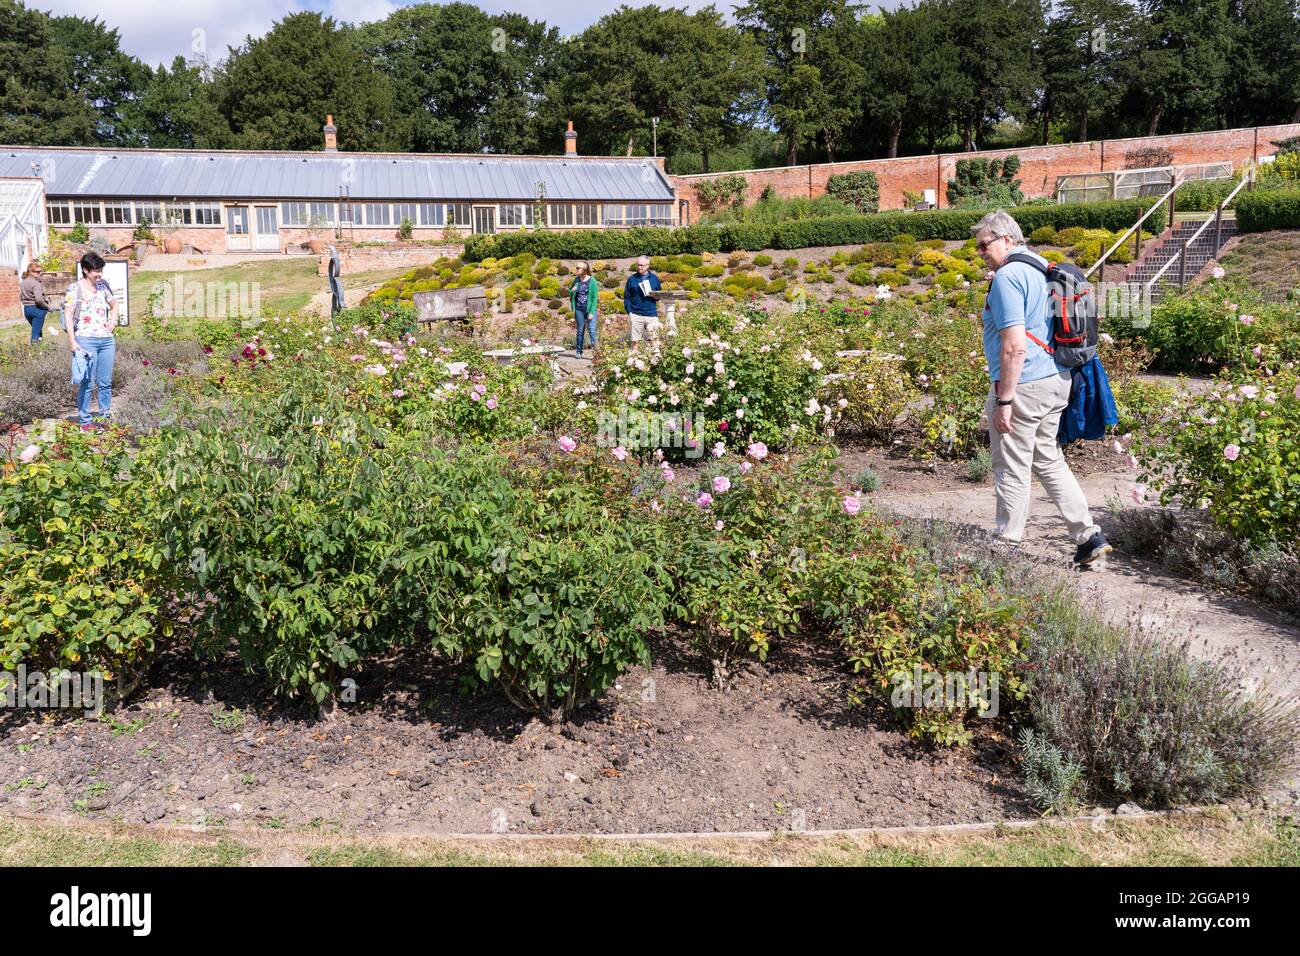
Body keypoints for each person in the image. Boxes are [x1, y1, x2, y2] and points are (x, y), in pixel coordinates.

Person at [973, 209, 1112, 566]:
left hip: (1024, 385)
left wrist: (1005, 398)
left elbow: (1015, 345)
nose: (980, 252)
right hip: (1056, 380)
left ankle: (1006, 542)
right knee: (1047, 459)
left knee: (1011, 464)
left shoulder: (1008, 277)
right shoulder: (1041, 266)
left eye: (983, 245)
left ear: (1006, 239)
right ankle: (1088, 535)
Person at [64, 251, 119, 430]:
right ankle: (85, 421)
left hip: (106, 341)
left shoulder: (103, 286)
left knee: (105, 383)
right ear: (86, 270)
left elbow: (114, 305)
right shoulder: (75, 289)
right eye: (96, 270)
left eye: (101, 270)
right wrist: (73, 342)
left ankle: (104, 418)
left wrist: (113, 320)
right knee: (88, 383)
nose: (100, 274)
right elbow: (68, 315)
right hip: (86, 340)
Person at [623, 255, 661, 344]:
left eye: (642, 265)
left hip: (651, 314)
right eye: (638, 265)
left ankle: (655, 358)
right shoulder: (632, 279)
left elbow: (659, 294)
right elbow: (626, 297)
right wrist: (630, 313)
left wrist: (656, 296)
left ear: (648, 266)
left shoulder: (654, 279)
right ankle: (634, 357)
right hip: (636, 315)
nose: (639, 267)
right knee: (635, 342)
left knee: (654, 341)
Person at [569, 261, 599, 357]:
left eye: (578, 268)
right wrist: (572, 291)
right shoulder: (576, 280)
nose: (576, 269)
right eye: (576, 267)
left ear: (585, 270)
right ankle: (578, 352)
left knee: (592, 330)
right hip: (579, 309)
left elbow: (595, 298)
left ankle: (597, 352)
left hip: (590, 310)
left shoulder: (592, 281)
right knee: (580, 331)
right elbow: (570, 292)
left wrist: (592, 312)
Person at [20, 263, 51, 344]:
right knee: (35, 335)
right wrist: (47, 307)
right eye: (37, 271)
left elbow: (21, 297)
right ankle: (34, 353)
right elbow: (39, 300)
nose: (40, 273)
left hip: (26, 310)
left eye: (41, 271)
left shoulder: (23, 282)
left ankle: (40, 351)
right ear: (30, 271)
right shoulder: (36, 283)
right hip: (37, 309)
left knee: (37, 330)